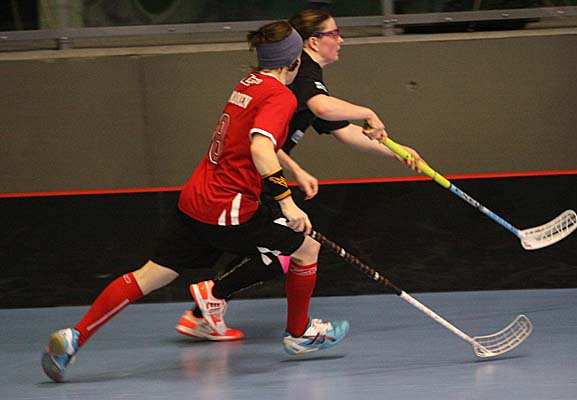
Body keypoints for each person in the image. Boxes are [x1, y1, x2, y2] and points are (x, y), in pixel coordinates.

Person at [41, 20, 356, 383]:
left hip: (195, 199)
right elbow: (260, 148)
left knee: (150, 274)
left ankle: (75, 337)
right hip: (228, 208)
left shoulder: (248, 83)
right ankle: (299, 335)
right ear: (293, 60)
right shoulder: (280, 96)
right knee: (306, 250)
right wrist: (288, 202)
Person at [175, 9, 424, 341]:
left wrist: (399, 152)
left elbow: (342, 130)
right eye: (333, 33)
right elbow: (316, 111)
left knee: (283, 251)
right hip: (256, 180)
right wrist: (368, 112)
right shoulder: (302, 74)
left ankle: (205, 308)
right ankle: (243, 309)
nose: (340, 40)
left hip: (263, 177)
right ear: (313, 42)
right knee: (291, 251)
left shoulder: (305, 77)